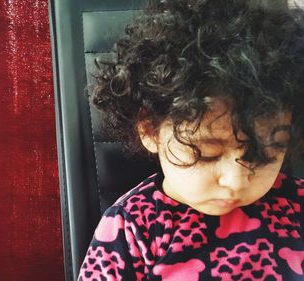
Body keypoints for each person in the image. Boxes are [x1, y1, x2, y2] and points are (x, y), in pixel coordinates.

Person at [78, 0, 304, 280]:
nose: (236, 180)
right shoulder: (131, 228)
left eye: (264, 155)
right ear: (150, 130)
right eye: (207, 153)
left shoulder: (296, 207)